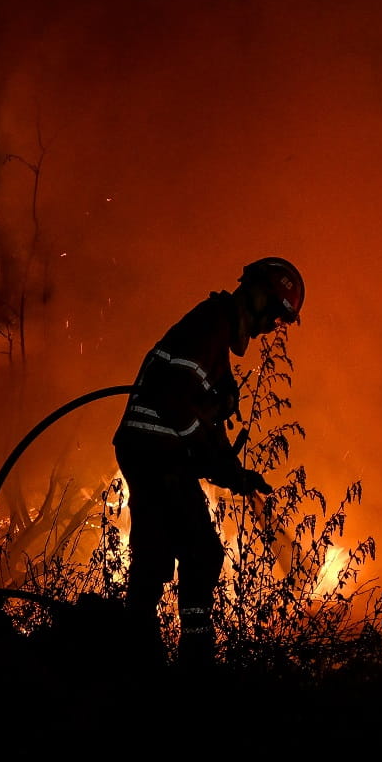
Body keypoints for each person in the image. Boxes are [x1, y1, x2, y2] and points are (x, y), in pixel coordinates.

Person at [111, 257, 305, 668]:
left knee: (157, 553)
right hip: (157, 451)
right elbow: (176, 403)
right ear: (258, 297)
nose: (271, 327)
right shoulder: (209, 325)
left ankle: (137, 651)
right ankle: (192, 659)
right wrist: (205, 444)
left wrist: (236, 476)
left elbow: (201, 423)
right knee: (201, 552)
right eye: (274, 316)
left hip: (151, 449)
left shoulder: (214, 338)